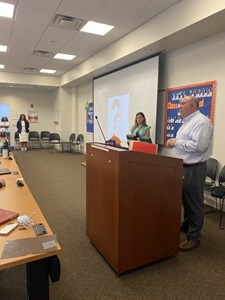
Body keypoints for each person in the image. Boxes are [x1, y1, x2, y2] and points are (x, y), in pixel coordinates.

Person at [166, 96, 213, 251]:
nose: (180, 106)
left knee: (194, 203)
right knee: (186, 200)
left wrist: (175, 142)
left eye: (183, 103)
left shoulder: (201, 122)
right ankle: (187, 225)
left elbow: (199, 146)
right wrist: (175, 142)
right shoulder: (188, 122)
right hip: (183, 166)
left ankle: (194, 238)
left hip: (194, 168)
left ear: (193, 106)